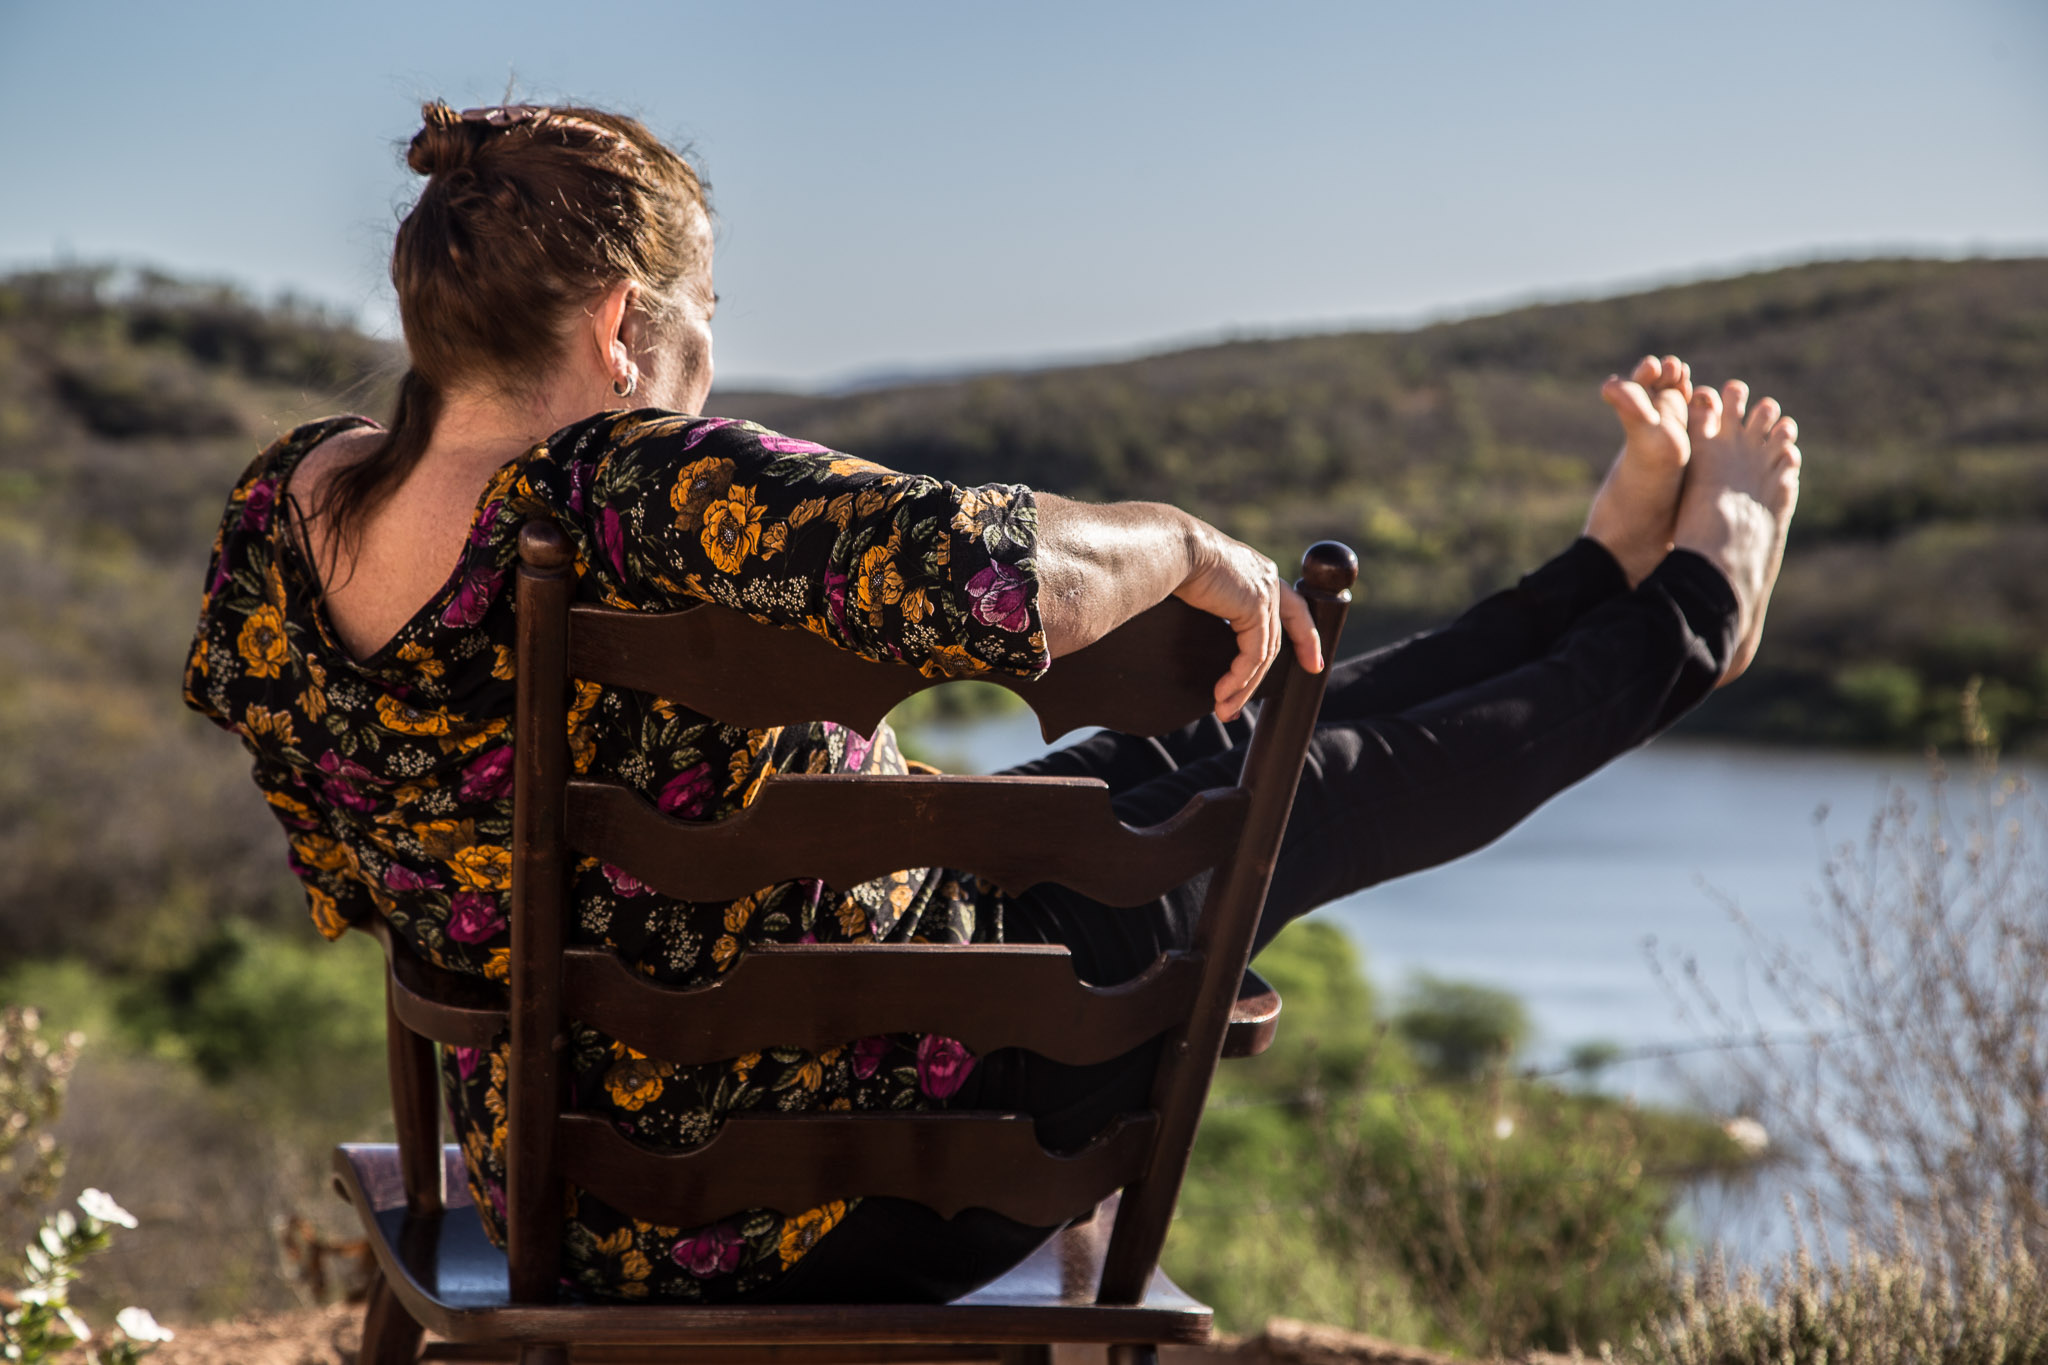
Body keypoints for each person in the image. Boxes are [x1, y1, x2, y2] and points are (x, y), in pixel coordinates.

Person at [182, 101, 1800, 1305]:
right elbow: (994, 576)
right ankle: (1694, 615)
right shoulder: (629, 485)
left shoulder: (284, 512)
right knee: (1292, 794)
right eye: (704, 318)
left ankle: (1597, 582)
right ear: (621, 324)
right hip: (867, 1161)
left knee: (1208, 755)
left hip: (568, 1180)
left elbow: (348, 868)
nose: (709, 358)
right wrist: (1185, 543)